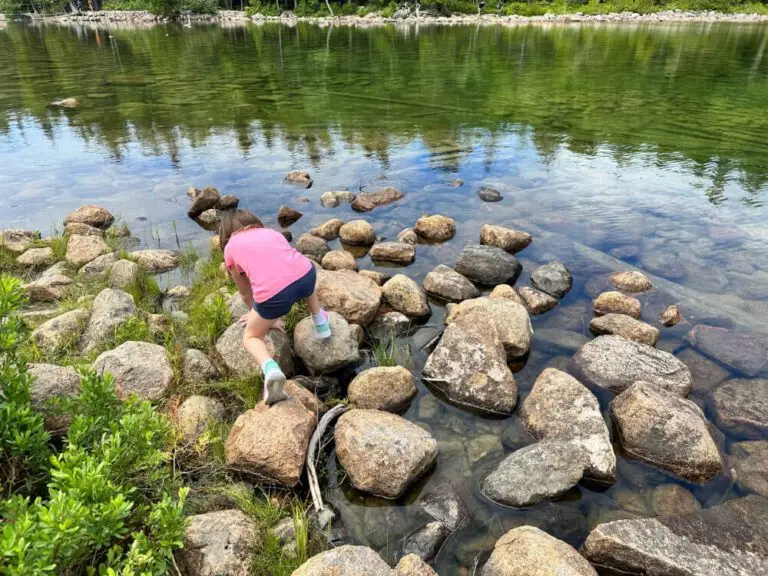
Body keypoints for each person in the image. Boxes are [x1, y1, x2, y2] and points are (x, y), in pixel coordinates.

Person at [220, 209, 331, 405]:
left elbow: (246, 293)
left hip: (274, 297)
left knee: (251, 337)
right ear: (254, 223)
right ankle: (320, 322)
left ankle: (270, 368)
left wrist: (258, 314)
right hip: (307, 275)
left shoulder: (230, 248)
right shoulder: (271, 233)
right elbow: (286, 265)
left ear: (225, 235)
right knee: (304, 275)